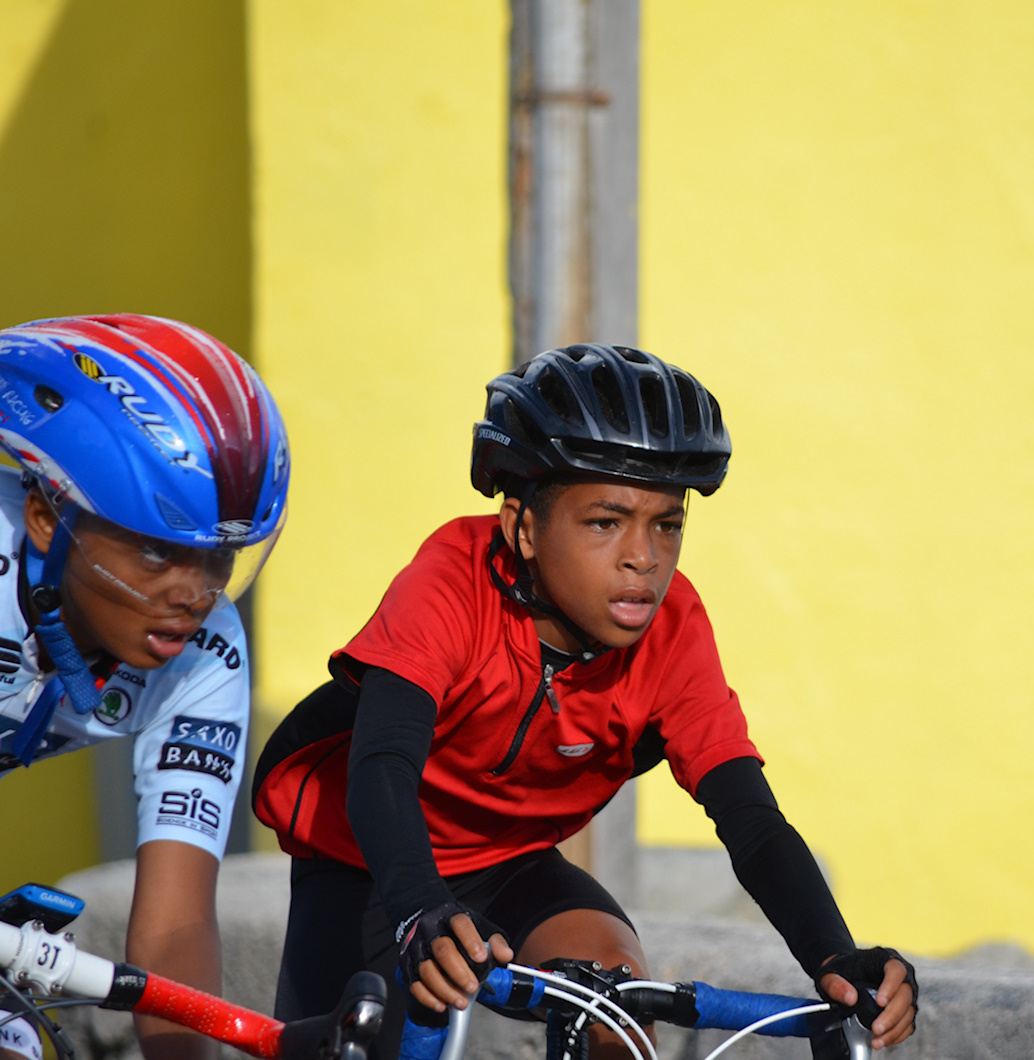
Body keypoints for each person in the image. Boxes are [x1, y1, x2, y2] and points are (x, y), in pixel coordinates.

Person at [254, 344, 918, 1059]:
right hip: (372, 861)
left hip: (510, 862)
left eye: (667, 524)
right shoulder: (450, 580)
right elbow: (382, 763)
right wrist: (419, 910)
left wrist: (834, 956)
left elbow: (751, 822)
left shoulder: (674, 628)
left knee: (617, 1008)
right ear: (524, 529)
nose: (645, 557)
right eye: (606, 522)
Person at [0, 314, 290, 1060]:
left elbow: (174, 924)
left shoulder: (207, 652)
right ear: (44, 518)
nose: (194, 595)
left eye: (219, 559)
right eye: (160, 552)